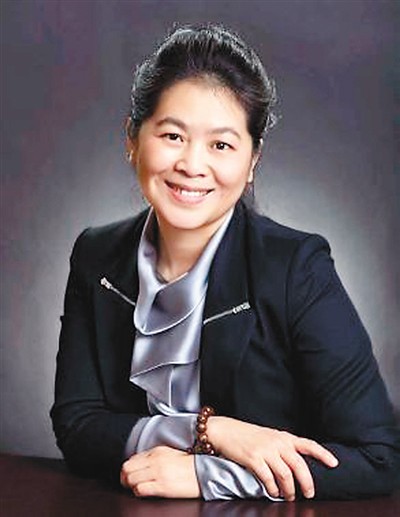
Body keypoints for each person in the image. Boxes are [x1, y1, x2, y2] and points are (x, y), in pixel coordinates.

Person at [50, 24, 400, 501]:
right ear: (132, 138)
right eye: (172, 135)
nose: (192, 165)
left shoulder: (297, 268)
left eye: (221, 145)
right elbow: (78, 426)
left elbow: (379, 459)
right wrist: (208, 430)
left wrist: (206, 475)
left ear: (252, 161)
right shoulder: (96, 256)